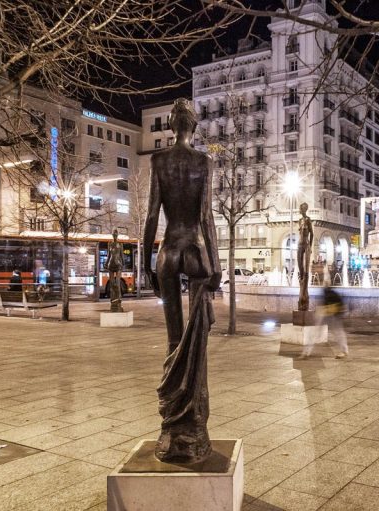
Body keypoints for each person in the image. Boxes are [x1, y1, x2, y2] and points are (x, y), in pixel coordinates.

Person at [143, 98, 221, 464]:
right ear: (195, 125)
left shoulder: (158, 161)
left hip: (169, 250)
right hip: (196, 248)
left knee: (174, 341)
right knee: (198, 343)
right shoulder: (203, 162)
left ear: (172, 125)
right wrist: (216, 264)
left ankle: (172, 427)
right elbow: (206, 217)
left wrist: (146, 261)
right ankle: (192, 424)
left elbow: (151, 217)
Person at [299, 286, 349, 360]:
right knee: (337, 332)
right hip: (327, 310)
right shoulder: (332, 295)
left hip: (329, 311)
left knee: (317, 332)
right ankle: (306, 352)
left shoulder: (331, 295)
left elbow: (340, 307)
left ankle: (306, 352)